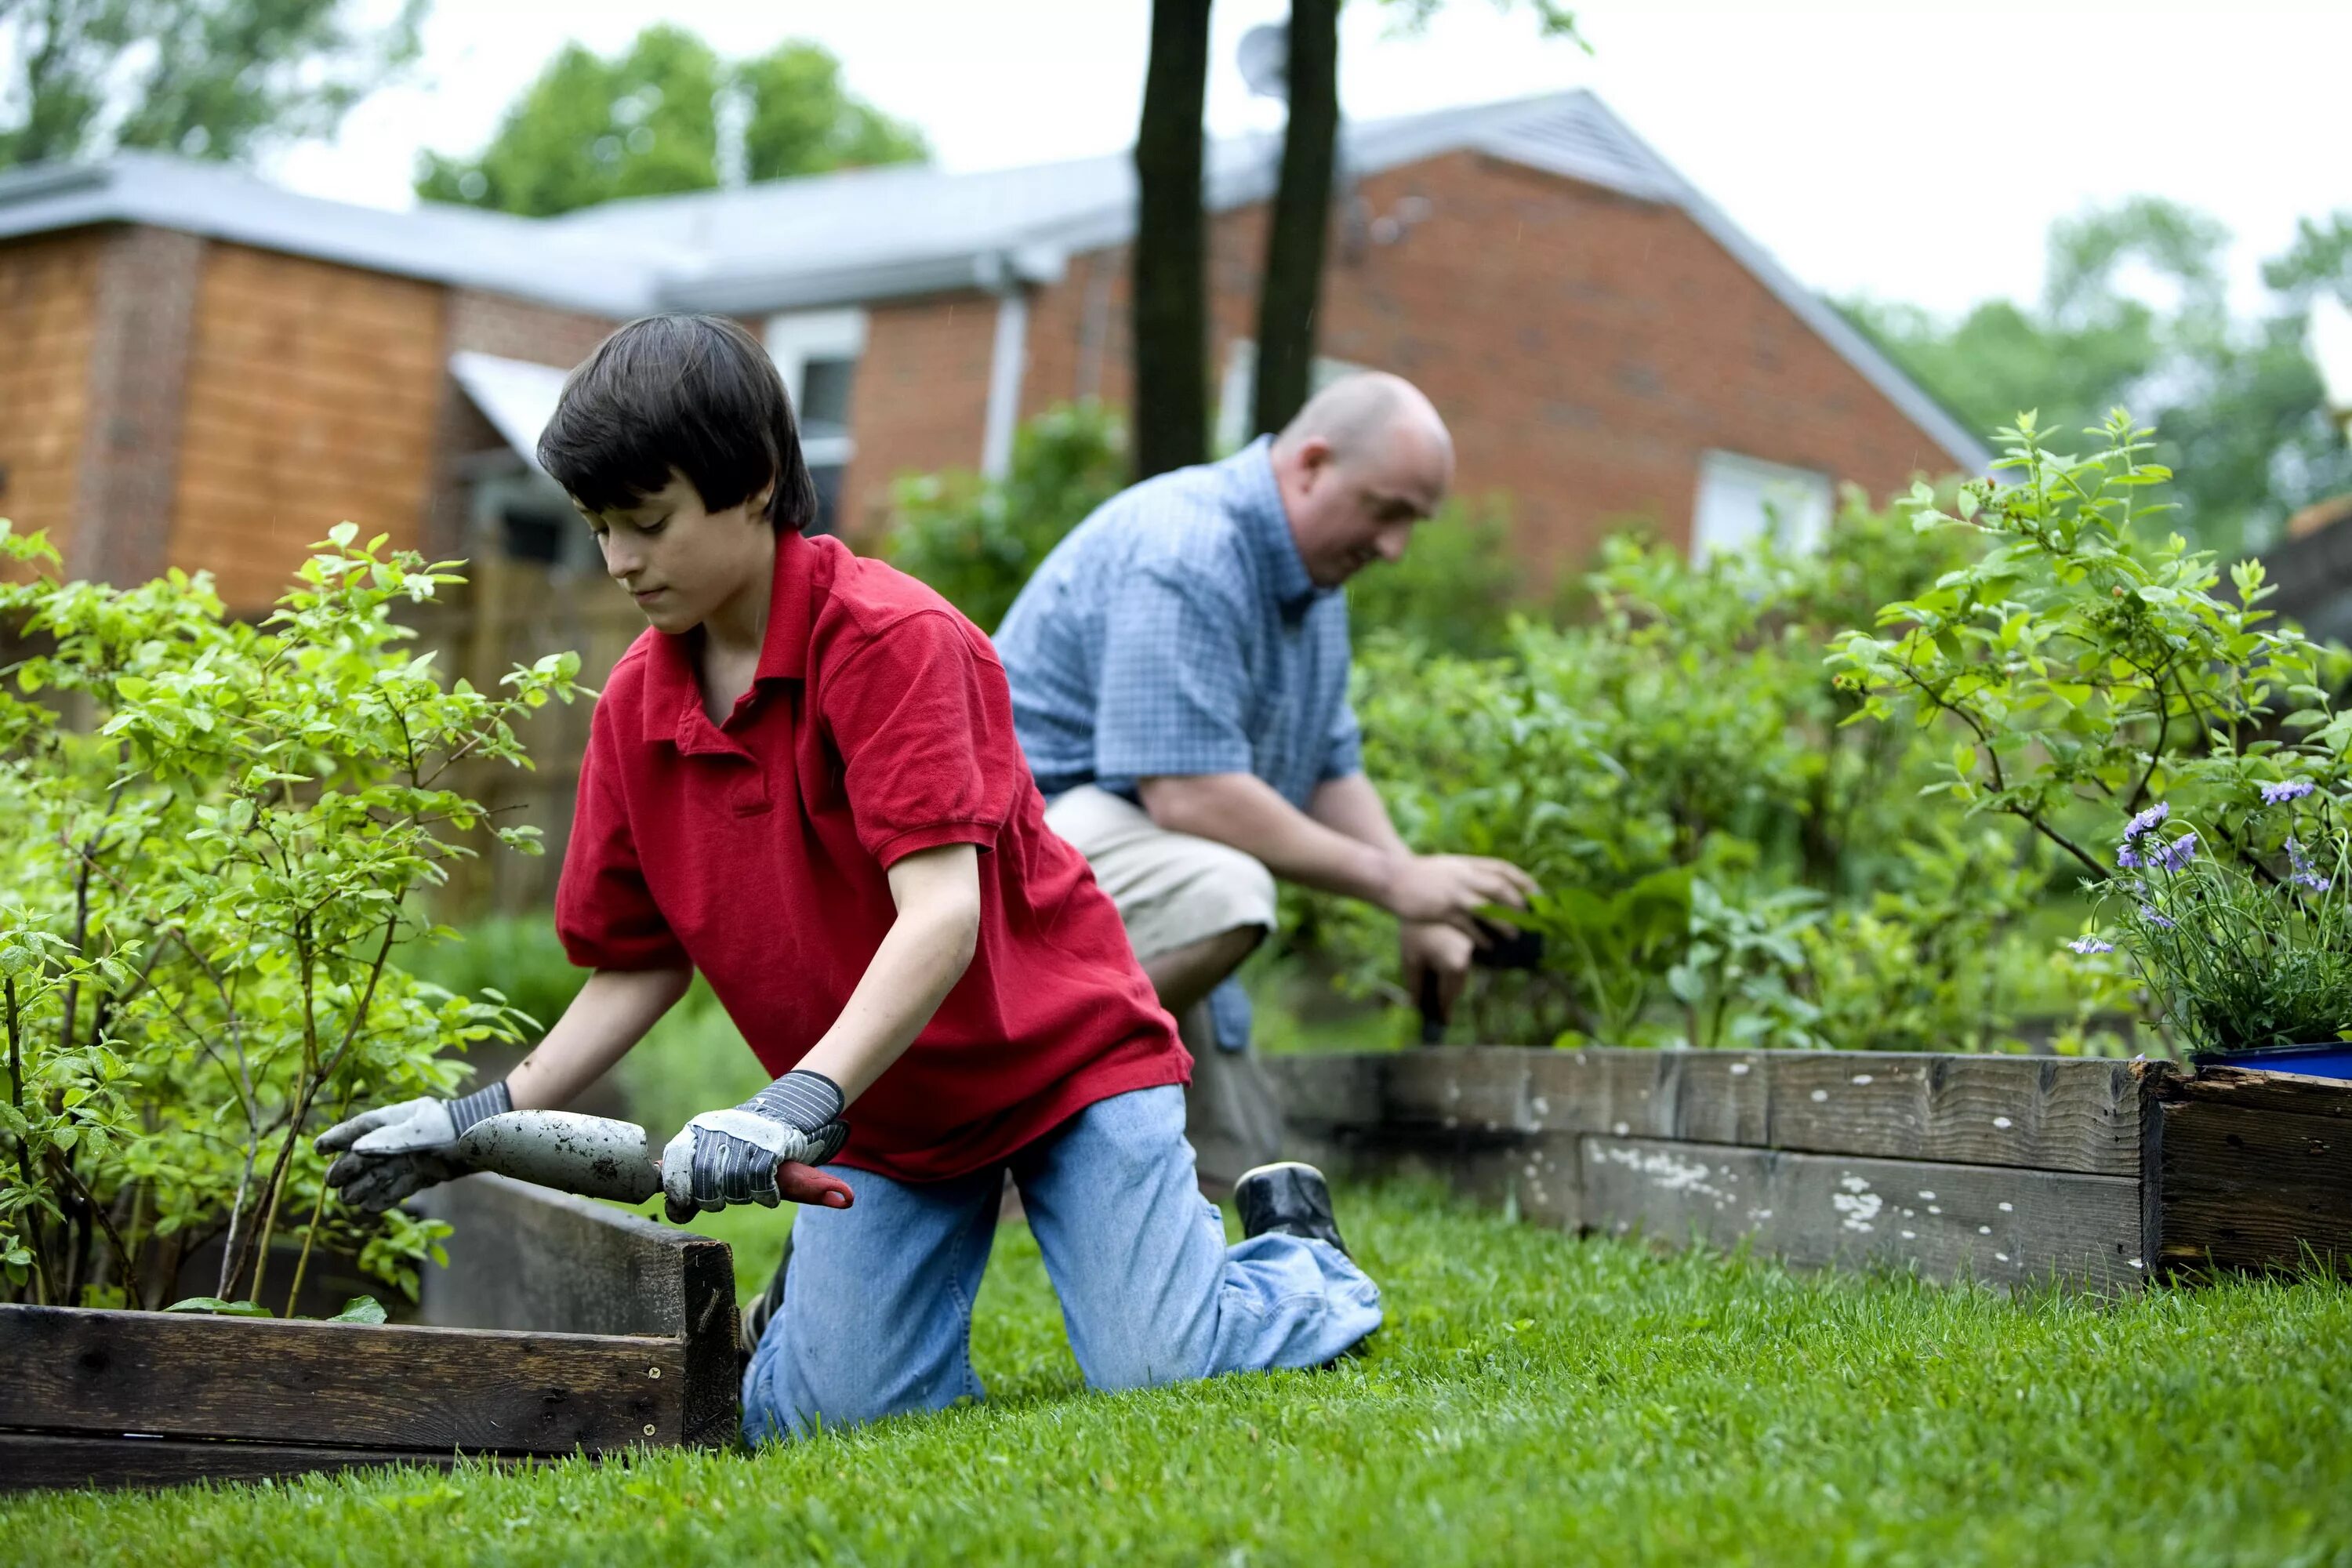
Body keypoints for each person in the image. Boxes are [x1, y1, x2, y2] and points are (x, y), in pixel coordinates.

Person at [312, 314, 1380, 1441]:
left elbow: (942, 916)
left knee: (1163, 1367)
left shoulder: (894, 642)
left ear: (760, 482)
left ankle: (1294, 1260)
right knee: (832, 1419)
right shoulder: (636, 707)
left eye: (648, 522)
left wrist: (789, 1105)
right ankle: (827, 1323)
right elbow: (637, 969)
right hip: (884, 1118)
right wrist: (468, 1119)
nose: (619, 560)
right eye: (600, 528)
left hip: (1064, 1069)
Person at [994, 375, 1539, 1185]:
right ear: (1312, 464)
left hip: (1130, 875)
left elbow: (1328, 763)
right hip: (1010, 875)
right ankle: (1001, 1126)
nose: (1395, 548)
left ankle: (1090, 1152)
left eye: (1412, 524)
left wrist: (1423, 901)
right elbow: (1189, 792)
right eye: (1387, 511)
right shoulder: (1188, 548)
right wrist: (1393, 880)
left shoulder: (1313, 585)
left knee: (1243, 1168)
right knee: (1225, 891)